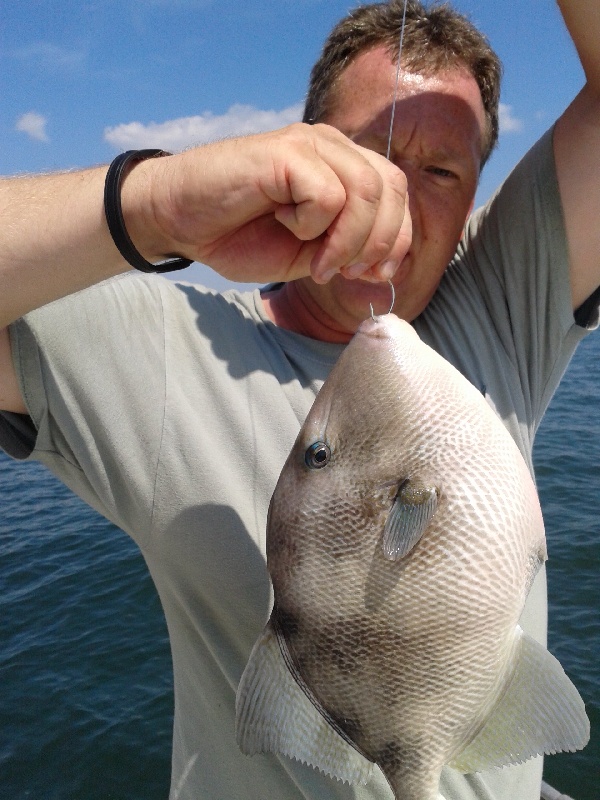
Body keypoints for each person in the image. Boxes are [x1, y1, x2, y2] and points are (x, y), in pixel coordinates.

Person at [0, 0, 598, 798]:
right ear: (296, 146)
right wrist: (156, 207)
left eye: (443, 172)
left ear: (471, 203)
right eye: (358, 155)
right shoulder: (166, 350)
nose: (396, 196)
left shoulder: (498, 300)